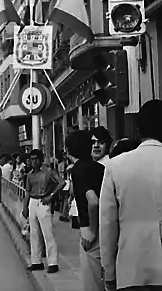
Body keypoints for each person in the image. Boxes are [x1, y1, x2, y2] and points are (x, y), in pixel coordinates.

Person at [100, 100, 162, 291]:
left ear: (138, 130)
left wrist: (109, 271)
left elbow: (107, 223)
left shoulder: (115, 166)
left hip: (130, 269)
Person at [66, 130, 105, 291]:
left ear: (68, 149)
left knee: (92, 282)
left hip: (90, 230)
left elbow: (93, 201)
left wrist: (91, 231)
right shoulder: (99, 167)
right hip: (107, 225)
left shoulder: (78, 170)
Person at [22, 149, 66, 273]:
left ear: (41, 160)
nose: (34, 161)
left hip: (44, 201)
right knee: (34, 233)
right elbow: (27, 191)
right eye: (32, 159)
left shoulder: (48, 172)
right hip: (32, 201)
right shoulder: (29, 174)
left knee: (48, 233)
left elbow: (62, 183)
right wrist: (25, 207)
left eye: (36, 159)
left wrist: (51, 195)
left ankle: (53, 263)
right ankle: (36, 262)